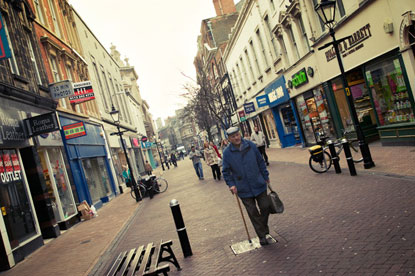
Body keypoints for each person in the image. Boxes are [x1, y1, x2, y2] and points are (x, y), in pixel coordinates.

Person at [222, 126, 272, 246]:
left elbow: (260, 162)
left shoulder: (251, 145)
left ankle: (263, 228)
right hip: (243, 188)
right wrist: (231, 185)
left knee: (265, 206)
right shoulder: (227, 153)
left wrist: (266, 176)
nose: (236, 138)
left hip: (258, 183)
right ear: (229, 139)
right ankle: (262, 236)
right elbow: (225, 171)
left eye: (237, 135)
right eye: (233, 137)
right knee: (253, 212)